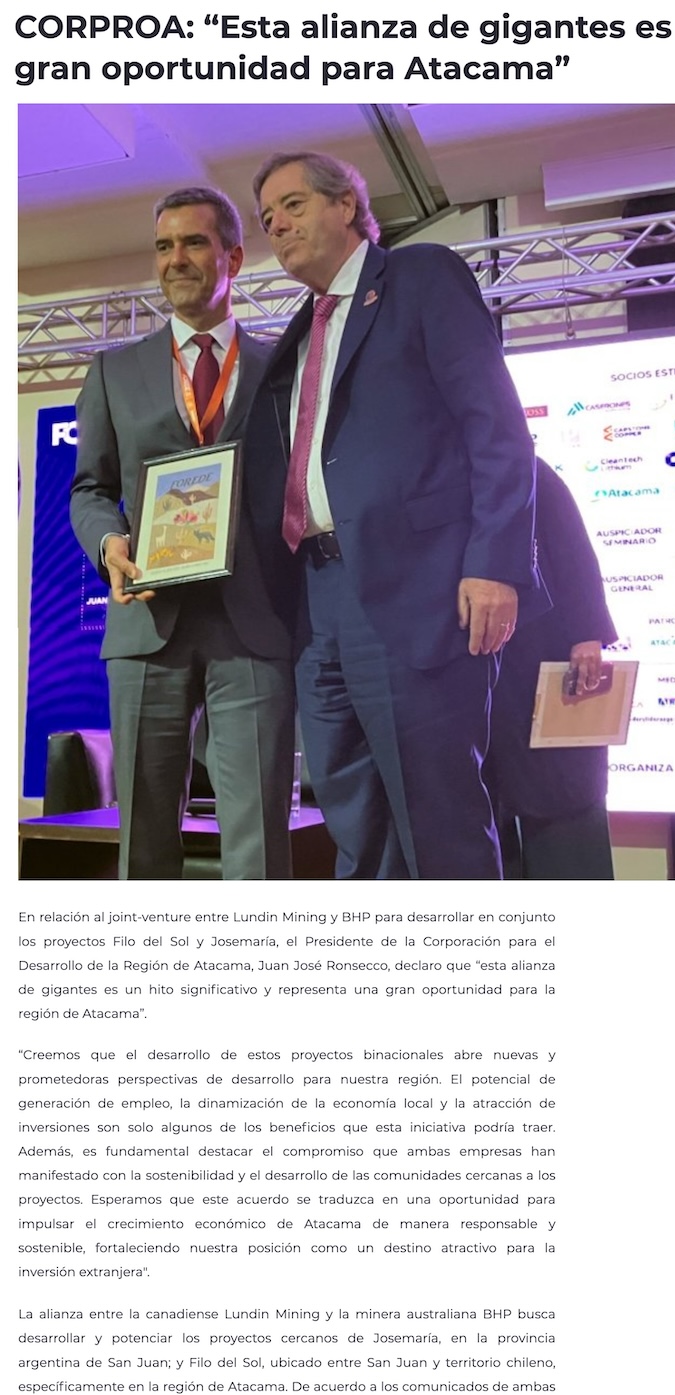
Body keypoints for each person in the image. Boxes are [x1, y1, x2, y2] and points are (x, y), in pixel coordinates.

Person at [244, 150, 547, 880]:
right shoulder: (298, 334)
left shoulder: (419, 278)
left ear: (346, 205)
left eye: (292, 205)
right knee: (356, 830)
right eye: (267, 218)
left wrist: (494, 564)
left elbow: (496, 427)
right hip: (317, 604)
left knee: (440, 827)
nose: (276, 225)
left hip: (418, 595)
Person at [70, 186, 296, 879]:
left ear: (234, 256)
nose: (176, 259)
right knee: (142, 838)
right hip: (147, 623)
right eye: (164, 246)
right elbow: (90, 489)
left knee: (259, 837)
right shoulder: (114, 370)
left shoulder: (284, 367)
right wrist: (109, 542)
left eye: (194, 242)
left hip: (253, 623)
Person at [486, 456, 618, 880]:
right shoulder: (424, 468)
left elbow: (572, 548)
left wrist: (587, 633)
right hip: (472, 668)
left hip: (548, 654)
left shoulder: (522, 466)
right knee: (484, 818)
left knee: (567, 802)